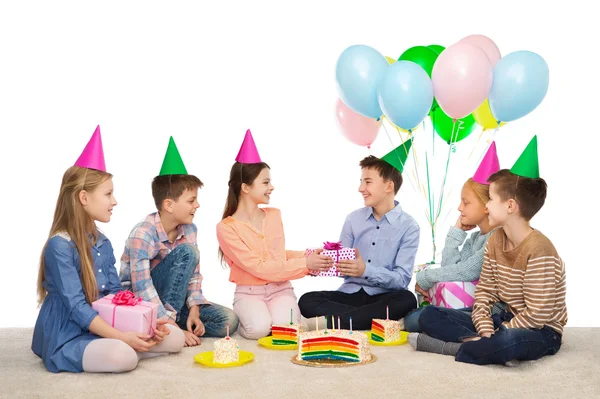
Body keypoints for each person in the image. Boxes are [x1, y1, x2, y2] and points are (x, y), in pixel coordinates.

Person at [32, 126, 183, 373]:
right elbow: (77, 308)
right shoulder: (59, 246)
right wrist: (122, 337)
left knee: (174, 337)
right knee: (123, 356)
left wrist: (148, 322)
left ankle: (126, 344)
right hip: (69, 333)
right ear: (83, 198)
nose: (114, 201)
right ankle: (122, 347)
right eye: (108, 194)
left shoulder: (102, 242)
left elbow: (115, 293)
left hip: (107, 324)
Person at [410, 136, 567, 366]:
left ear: (510, 206)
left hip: (540, 329)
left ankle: (453, 347)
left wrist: (502, 332)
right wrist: (486, 331)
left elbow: (537, 315)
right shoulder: (495, 242)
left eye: (491, 199)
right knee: (429, 315)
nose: (486, 206)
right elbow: (484, 293)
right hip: (503, 319)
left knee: (513, 340)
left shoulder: (539, 249)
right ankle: (484, 346)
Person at [120, 137, 238, 347]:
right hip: (144, 305)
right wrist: (172, 325)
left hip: (175, 302)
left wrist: (194, 310)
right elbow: (141, 288)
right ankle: (168, 328)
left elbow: (193, 275)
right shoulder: (143, 233)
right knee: (188, 253)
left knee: (229, 321)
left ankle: (178, 326)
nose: (198, 205)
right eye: (191, 201)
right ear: (169, 205)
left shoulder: (189, 229)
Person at [216, 130, 332, 339]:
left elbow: (276, 255)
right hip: (249, 293)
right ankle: (267, 319)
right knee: (258, 330)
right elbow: (258, 266)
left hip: (280, 289)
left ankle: (296, 322)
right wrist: (306, 264)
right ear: (245, 187)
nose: (272, 187)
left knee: (285, 331)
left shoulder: (274, 215)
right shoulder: (226, 228)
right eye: (265, 182)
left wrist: (309, 255)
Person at [298, 139, 420, 330]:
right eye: (361, 182)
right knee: (307, 300)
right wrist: (322, 264)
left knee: (407, 300)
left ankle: (331, 322)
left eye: (367, 182)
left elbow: (402, 279)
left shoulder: (409, 226)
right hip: (350, 295)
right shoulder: (353, 219)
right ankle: (373, 320)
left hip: (384, 295)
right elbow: (341, 266)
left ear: (388, 186)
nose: (361, 188)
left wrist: (366, 271)